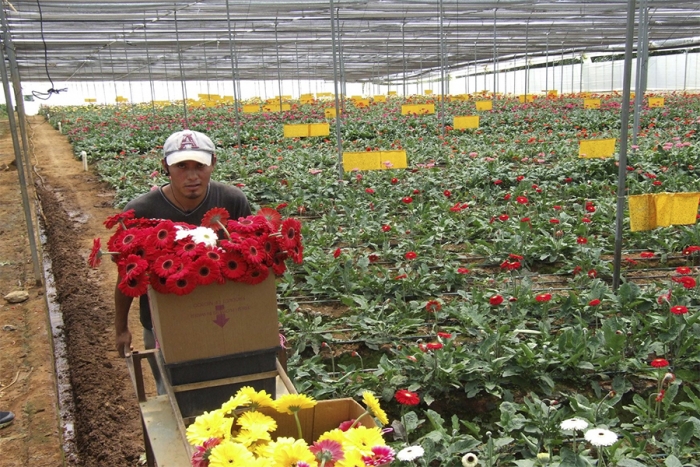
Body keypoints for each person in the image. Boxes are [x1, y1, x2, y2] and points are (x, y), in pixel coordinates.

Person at [114, 129, 252, 390]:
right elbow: (127, 275)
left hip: (224, 318)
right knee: (172, 393)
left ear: (213, 163)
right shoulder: (141, 211)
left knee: (231, 389)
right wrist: (121, 328)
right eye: (181, 166)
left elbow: (251, 260)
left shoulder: (233, 202)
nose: (191, 176)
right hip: (162, 326)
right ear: (165, 166)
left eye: (199, 165)